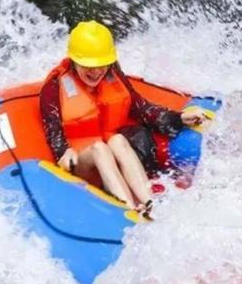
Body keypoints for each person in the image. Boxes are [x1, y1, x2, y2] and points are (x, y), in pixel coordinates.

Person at [40, 20, 206, 214]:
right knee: (99, 148)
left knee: (117, 140)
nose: (96, 72)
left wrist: (178, 118)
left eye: (101, 64)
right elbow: (54, 132)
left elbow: (142, 108)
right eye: (88, 65)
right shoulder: (54, 88)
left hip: (112, 161)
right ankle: (128, 210)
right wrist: (62, 152)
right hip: (83, 163)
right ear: (75, 60)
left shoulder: (113, 75)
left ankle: (151, 204)